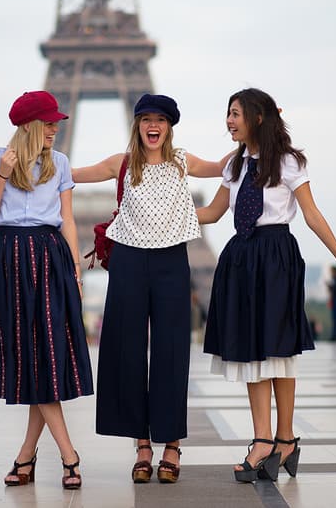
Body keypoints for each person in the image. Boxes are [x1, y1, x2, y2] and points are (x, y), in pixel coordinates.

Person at [197, 88, 336, 483]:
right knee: (251, 352)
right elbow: (211, 212)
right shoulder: (235, 166)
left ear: (258, 117)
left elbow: (310, 214)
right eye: (228, 113)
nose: (229, 121)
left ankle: (284, 438)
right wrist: (162, 213)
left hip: (275, 256)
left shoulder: (289, 162)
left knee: (277, 346)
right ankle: (264, 439)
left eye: (235, 113)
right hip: (241, 256)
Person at [71, 93, 223, 484]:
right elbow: (69, 172)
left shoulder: (181, 162)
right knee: (127, 350)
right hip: (129, 262)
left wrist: (258, 133)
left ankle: (171, 444)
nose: (153, 125)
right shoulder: (121, 164)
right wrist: (31, 154)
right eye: (146, 119)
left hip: (172, 260)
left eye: (161, 119)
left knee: (172, 351)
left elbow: (226, 166)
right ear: (137, 124)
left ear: (170, 126)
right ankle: (142, 444)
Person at [0, 90, 93, 490]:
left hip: (50, 258)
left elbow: (68, 220)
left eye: (57, 123)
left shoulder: (60, 163)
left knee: (44, 361)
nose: (55, 129)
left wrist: (75, 267)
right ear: (29, 126)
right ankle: (62, 455)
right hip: (8, 259)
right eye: (49, 122)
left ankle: (31, 456)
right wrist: (3, 174)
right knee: (31, 360)